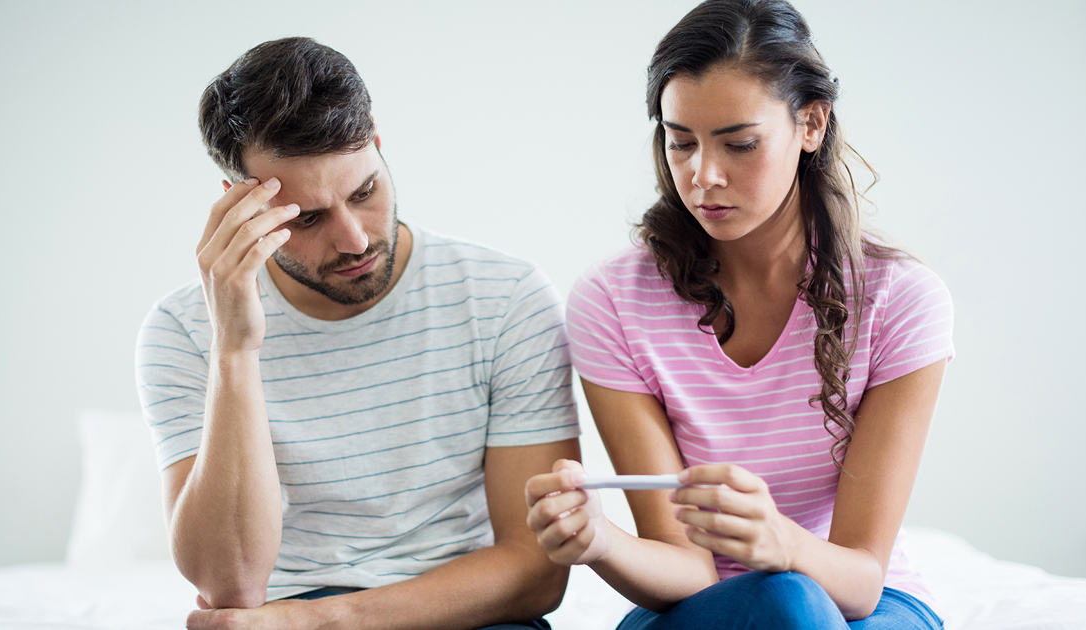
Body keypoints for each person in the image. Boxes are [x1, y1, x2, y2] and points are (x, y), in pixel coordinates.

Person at [525, 1, 952, 628]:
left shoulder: (899, 299)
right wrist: (601, 542)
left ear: (811, 124)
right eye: (680, 143)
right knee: (777, 601)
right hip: (698, 607)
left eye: (740, 144)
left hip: (859, 601)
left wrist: (784, 544)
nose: (703, 176)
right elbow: (687, 567)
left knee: (792, 599)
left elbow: (861, 581)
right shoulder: (614, 300)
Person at [135, 37, 580, 630]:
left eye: (364, 192)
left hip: (464, 612)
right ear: (241, 205)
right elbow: (232, 582)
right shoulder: (183, 332)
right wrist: (235, 351)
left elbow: (536, 570)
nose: (355, 240)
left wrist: (320, 622)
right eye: (308, 219)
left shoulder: (505, 297)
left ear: (375, 141)